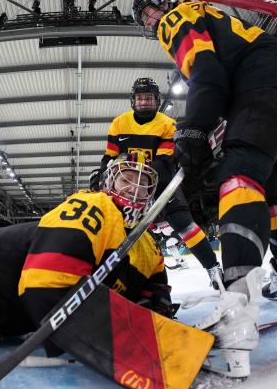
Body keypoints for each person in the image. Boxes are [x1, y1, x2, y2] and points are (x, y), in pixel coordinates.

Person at [132, 0, 277, 353]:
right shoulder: (209, 13)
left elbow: (207, 72)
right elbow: (220, 71)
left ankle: (237, 312)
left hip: (261, 79)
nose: (150, 19)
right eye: (144, 17)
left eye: (151, 10)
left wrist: (194, 128)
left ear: (164, 5)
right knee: (272, 188)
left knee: (238, 173)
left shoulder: (177, 18)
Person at [0, 152, 179, 354]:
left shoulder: (147, 244)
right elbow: (44, 287)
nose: (135, 189)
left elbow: (155, 285)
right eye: (126, 180)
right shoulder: (94, 206)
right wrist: (92, 340)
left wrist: (155, 304)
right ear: (109, 183)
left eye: (143, 184)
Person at [90, 77, 222, 288]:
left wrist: (129, 165)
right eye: (140, 98)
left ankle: (213, 269)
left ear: (157, 99)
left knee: (184, 224)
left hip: (160, 182)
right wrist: (102, 176)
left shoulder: (167, 124)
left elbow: (163, 164)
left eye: (148, 98)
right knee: (115, 231)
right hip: (125, 186)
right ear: (133, 100)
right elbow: (109, 157)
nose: (144, 102)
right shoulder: (118, 123)